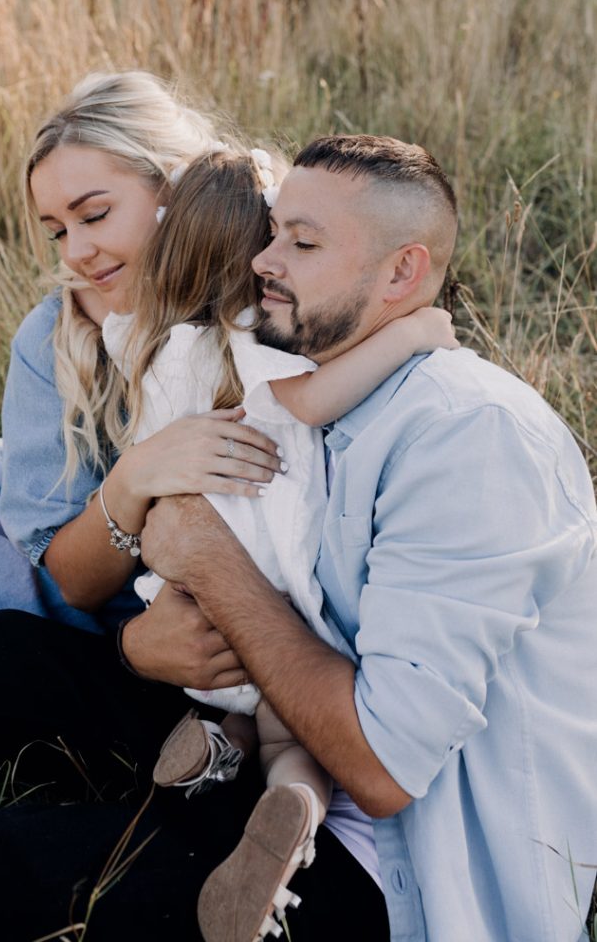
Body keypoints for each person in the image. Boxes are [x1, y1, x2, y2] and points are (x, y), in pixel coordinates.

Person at [0, 135, 594, 942]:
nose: (265, 260)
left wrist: (201, 553)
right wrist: (142, 647)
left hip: (384, 873)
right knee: (7, 657)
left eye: (301, 244)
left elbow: (381, 770)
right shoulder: (309, 370)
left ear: (401, 274)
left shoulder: (470, 438)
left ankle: (224, 846)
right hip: (255, 723)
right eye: (271, 234)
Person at [99, 146, 458, 940]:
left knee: (224, 699)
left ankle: (205, 747)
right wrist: (411, 337)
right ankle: (292, 799)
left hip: (175, 590)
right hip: (253, 563)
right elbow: (310, 402)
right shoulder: (242, 344)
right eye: (270, 240)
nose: (272, 260)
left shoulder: (142, 341)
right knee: (285, 725)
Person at [0, 70, 281, 656]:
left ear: (175, 185)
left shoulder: (274, 289)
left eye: (95, 215)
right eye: (57, 231)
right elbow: (73, 582)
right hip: (64, 539)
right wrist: (136, 474)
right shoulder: (56, 334)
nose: (77, 254)